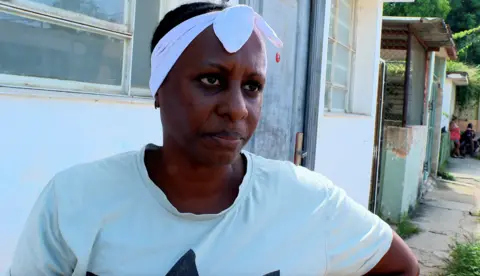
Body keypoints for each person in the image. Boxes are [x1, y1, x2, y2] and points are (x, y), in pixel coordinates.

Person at [9, 2, 419, 275]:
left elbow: (403, 267)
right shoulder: (74, 200)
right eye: (211, 80)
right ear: (158, 88)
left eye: (253, 86)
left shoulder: (309, 203)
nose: (237, 108)